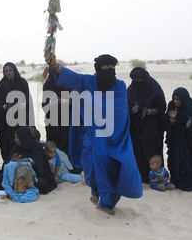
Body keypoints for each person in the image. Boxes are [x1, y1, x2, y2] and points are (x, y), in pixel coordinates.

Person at [46, 54, 143, 215]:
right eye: (106, 67)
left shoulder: (119, 86)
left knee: (114, 167)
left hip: (114, 136)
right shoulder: (88, 82)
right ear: (98, 68)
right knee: (90, 165)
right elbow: (71, 77)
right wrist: (55, 65)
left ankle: (106, 203)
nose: (110, 69)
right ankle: (95, 191)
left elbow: (119, 111)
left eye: (113, 67)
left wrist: (87, 99)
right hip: (91, 134)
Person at [127, 67, 166, 183]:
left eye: (138, 79)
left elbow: (162, 107)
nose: (136, 81)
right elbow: (125, 107)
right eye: (134, 79)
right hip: (136, 127)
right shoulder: (131, 89)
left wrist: (149, 111)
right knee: (137, 151)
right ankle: (140, 176)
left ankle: (155, 176)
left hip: (152, 127)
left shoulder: (154, 88)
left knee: (152, 151)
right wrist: (132, 110)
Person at [0, 62, 35, 162]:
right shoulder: (2, 85)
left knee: (22, 143)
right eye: (6, 71)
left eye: (10, 70)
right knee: (6, 144)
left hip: (21, 120)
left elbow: (28, 102)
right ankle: (8, 166)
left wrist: (31, 123)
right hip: (6, 123)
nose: (8, 73)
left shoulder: (22, 83)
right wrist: (5, 106)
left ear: (15, 70)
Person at [163, 87, 192, 191]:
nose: (176, 101)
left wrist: (190, 125)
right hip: (174, 139)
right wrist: (173, 120)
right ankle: (176, 180)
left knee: (187, 160)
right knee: (174, 159)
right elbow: (165, 122)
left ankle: (187, 180)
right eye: (174, 98)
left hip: (187, 140)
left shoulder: (191, 104)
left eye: (178, 99)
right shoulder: (171, 105)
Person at [5, 127, 57, 194]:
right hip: (16, 176)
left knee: (42, 184)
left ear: (24, 137)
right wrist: (12, 160)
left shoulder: (37, 147)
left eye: (17, 138)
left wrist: (27, 161)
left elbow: (41, 165)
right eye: (15, 137)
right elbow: (7, 162)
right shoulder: (16, 147)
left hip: (34, 176)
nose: (15, 140)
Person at [42, 72, 73, 156]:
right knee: (53, 147)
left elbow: (76, 100)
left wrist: (63, 101)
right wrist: (52, 103)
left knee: (68, 146)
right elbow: (45, 105)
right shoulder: (48, 85)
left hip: (68, 122)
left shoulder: (69, 83)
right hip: (53, 124)